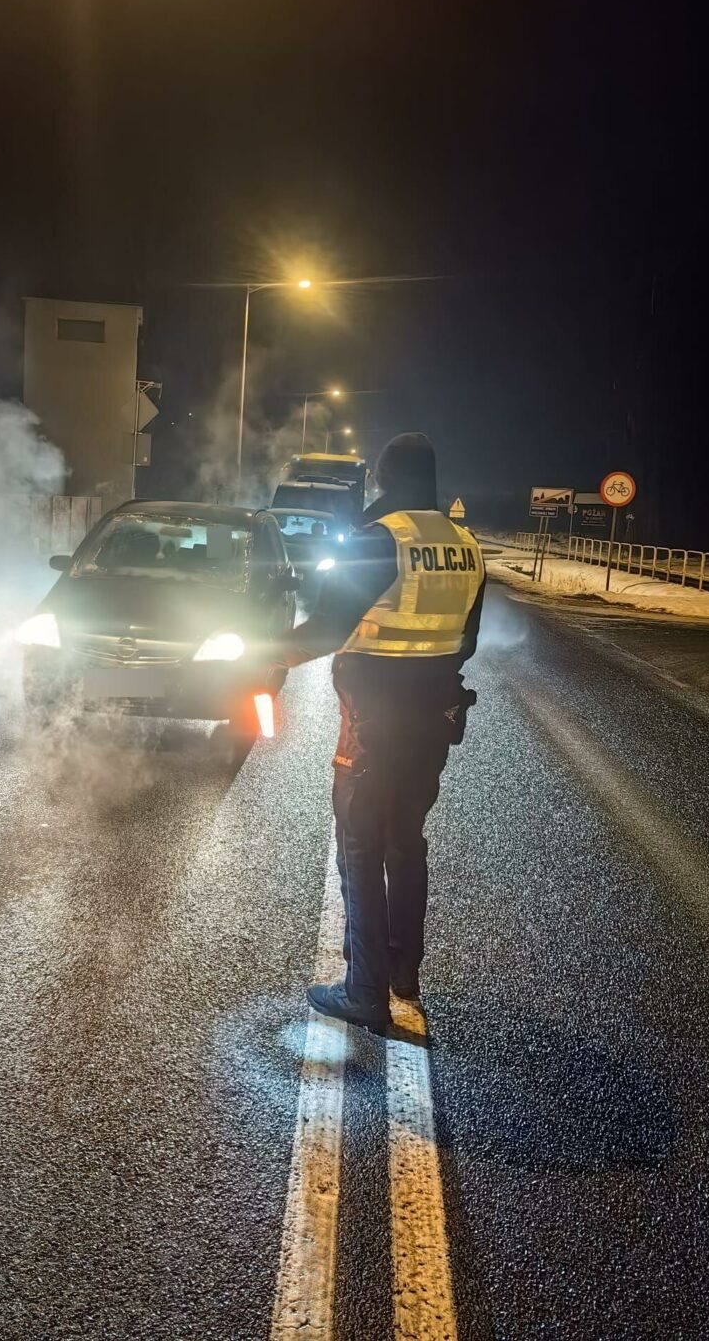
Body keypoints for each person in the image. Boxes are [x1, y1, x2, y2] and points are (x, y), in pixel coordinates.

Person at [276, 432, 485, 1033]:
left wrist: (265, 656)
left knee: (361, 844)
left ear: (385, 479)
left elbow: (326, 629)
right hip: (432, 724)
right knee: (406, 841)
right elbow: (467, 641)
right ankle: (401, 972)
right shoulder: (466, 546)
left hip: (373, 723)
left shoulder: (381, 538)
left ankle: (363, 992)